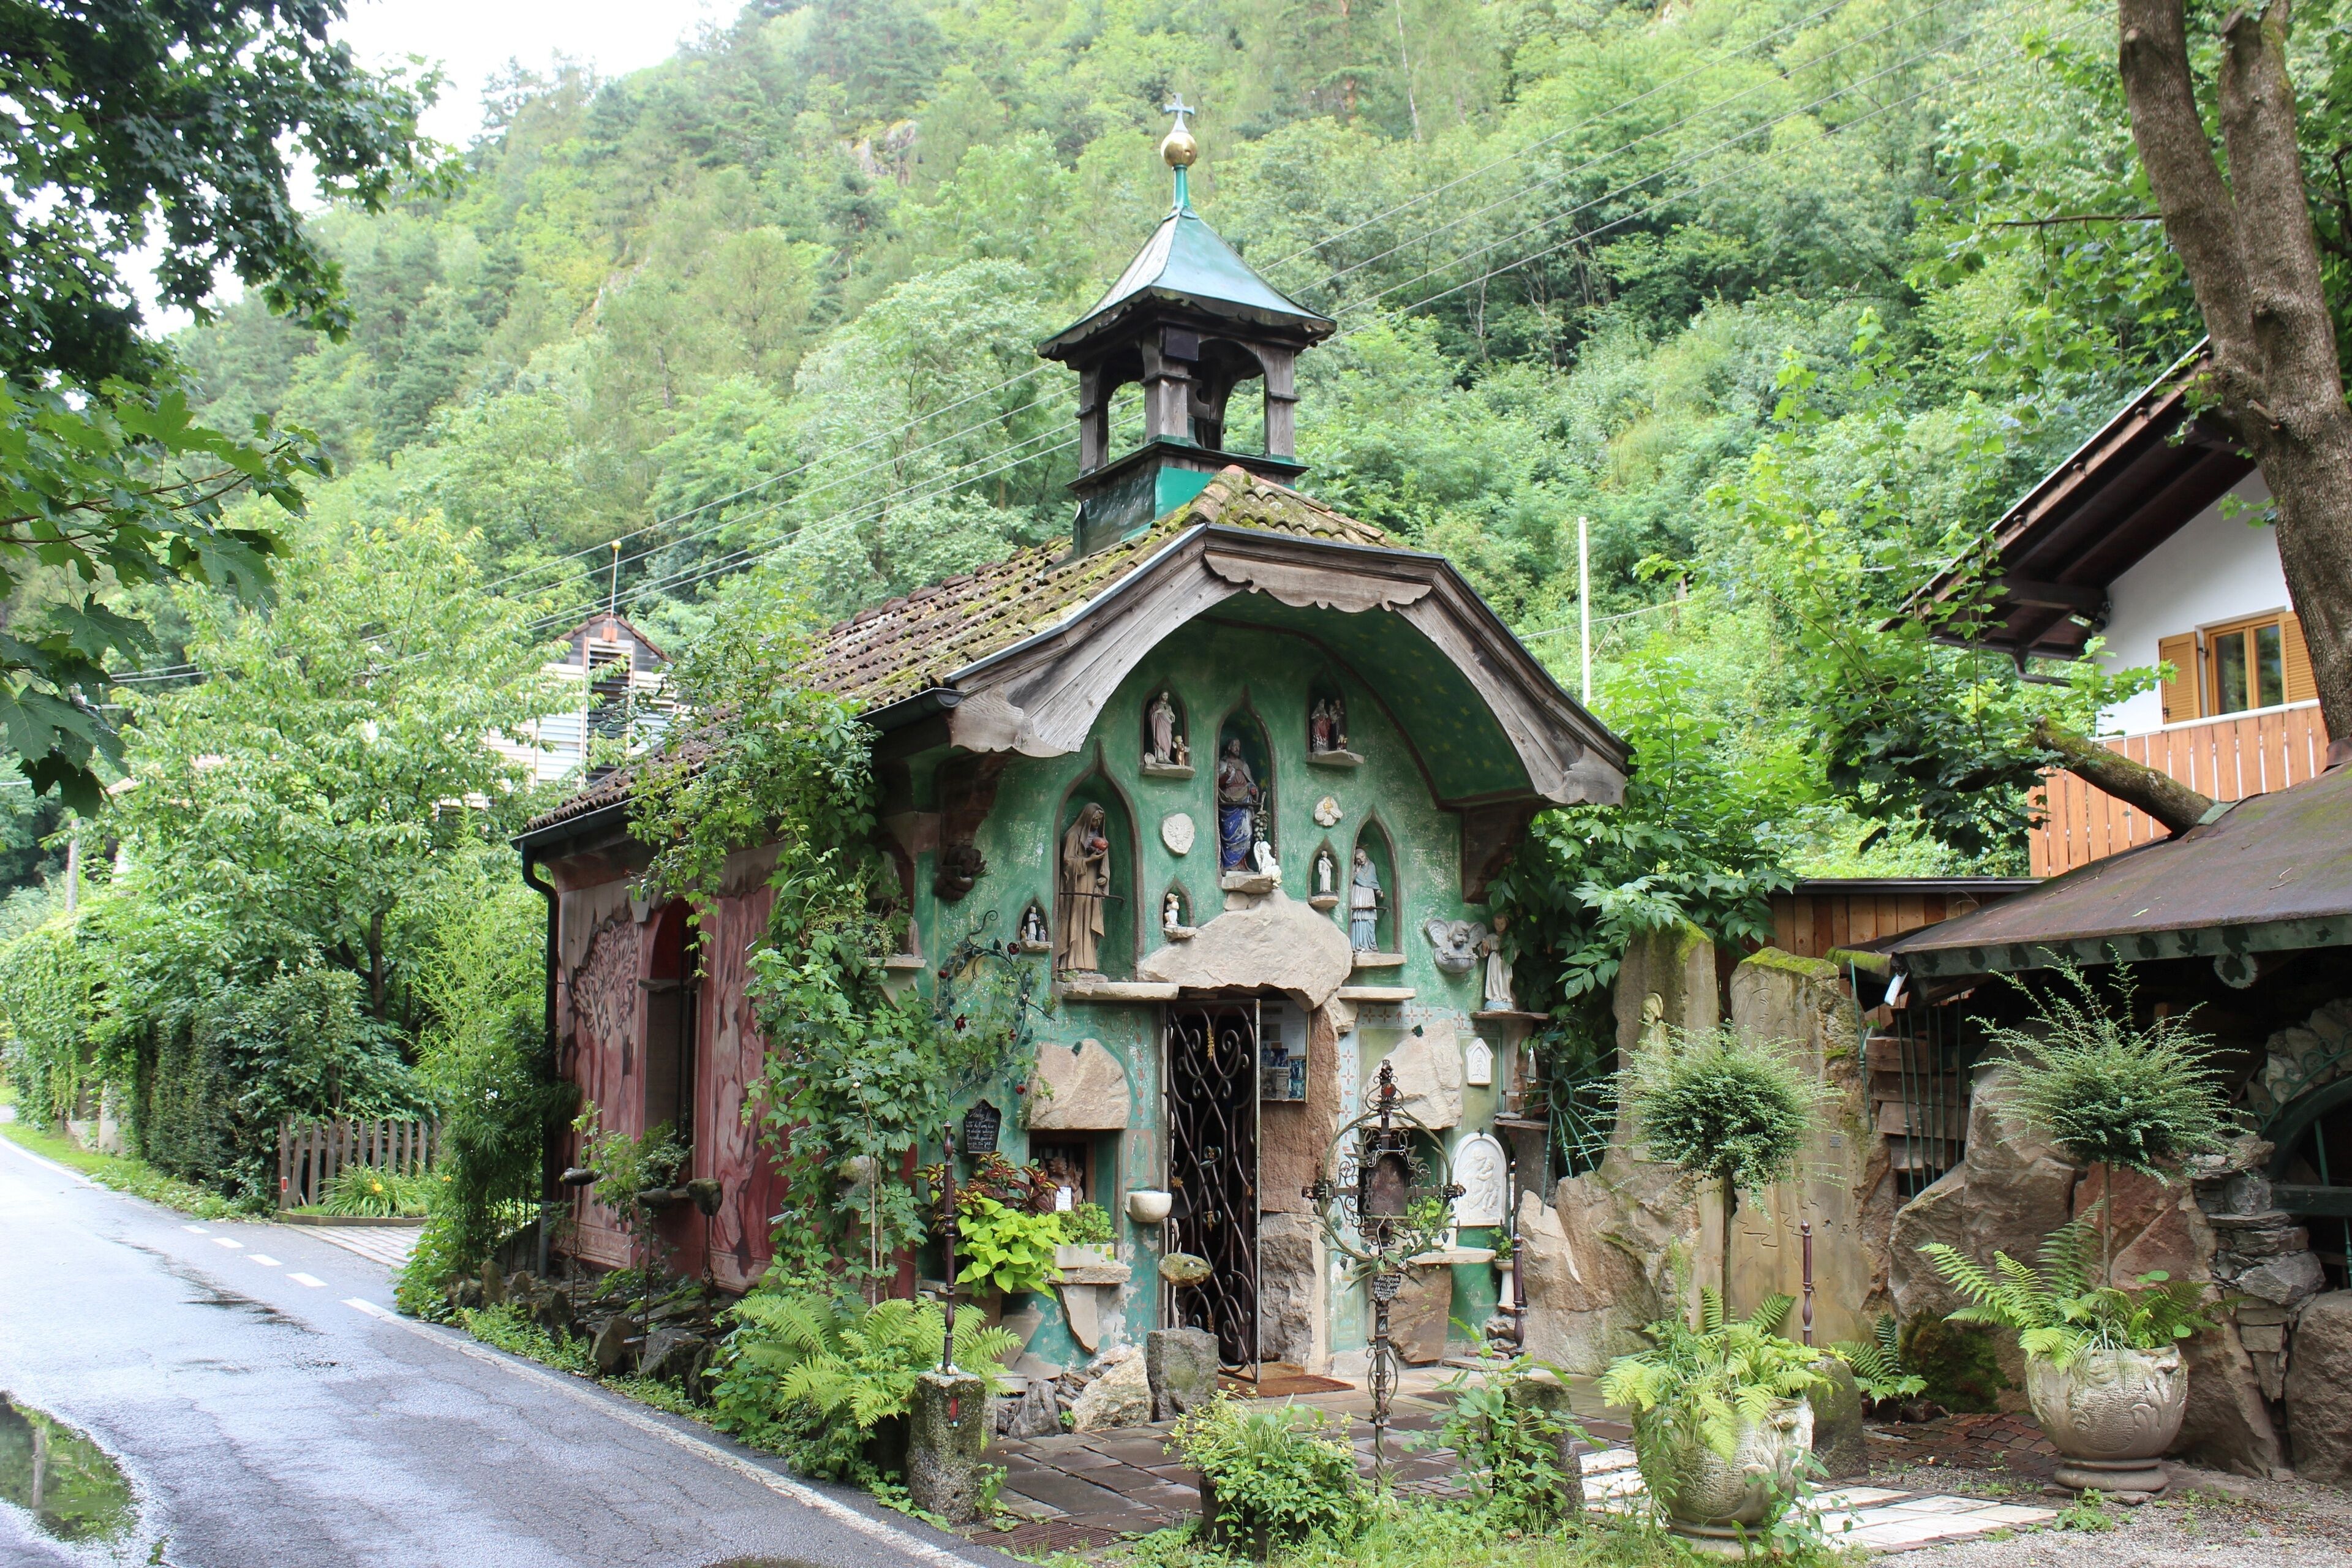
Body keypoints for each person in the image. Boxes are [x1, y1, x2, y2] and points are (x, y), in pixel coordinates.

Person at [1055, 804, 1110, 973]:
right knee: (1076, 918)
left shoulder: (1099, 837)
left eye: (1099, 821)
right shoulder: (1073, 836)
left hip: (1092, 882)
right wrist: (1088, 860)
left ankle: (1089, 963)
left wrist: (1103, 877)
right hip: (1077, 883)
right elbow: (1068, 862)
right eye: (1094, 820)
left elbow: (1104, 864)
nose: (1097, 824)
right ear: (1087, 818)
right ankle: (1071, 962)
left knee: (1088, 920)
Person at [1216, 739, 1257, 869]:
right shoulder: (1223, 764)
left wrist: (1253, 789)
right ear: (1228, 748)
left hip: (1244, 801)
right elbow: (1218, 783)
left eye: (1239, 746)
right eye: (1234, 746)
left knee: (1247, 833)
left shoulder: (1244, 765)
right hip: (1229, 801)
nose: (1237, 748)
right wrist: (1227, 774)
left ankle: (1243, 865)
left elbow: (1251, 782)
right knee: (1230, 832)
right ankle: (1230, 865)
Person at [1349, 846, 1381, 951]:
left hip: (1369, 893)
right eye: (1358, 858)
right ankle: (1359, 944)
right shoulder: (1355, 867)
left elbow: (1374, 880)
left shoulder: (1372, 866)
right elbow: (1349, 881)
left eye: (1362, 857)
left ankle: (1372, 944)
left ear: (1366, 855)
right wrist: (1356, 872)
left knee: (1370, 919)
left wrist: (1378, 891)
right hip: (1358, 892)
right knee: (1359, 918)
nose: (1361, 860)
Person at [1148, 691, 1178, 765]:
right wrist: (1157, 712)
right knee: (1160, 738)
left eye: (1167, 696)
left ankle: (1166, 757)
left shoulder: (1169, 706)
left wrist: (1172, 716)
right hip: (1160, 725)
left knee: (1168, 739)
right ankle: (1160, 757)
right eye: (1164, 695)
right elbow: (1150, 716)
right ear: (1161, 696)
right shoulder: (1156, 705)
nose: (1165, 697)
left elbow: (1172, 717)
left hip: (1167, 725)